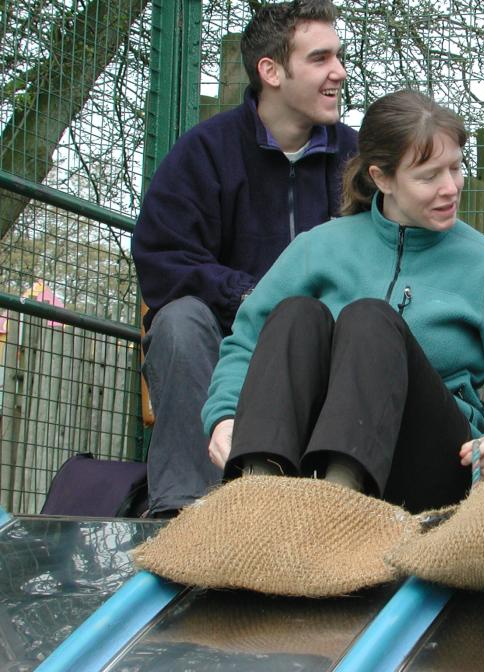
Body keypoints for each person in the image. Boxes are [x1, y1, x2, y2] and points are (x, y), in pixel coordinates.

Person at [201, 90, 484, 513]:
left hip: (428, 468)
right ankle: (257, 493)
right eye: (428, 176)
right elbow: (247, 341)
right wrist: (224, 416)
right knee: (296, 314)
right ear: (382, 178)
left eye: (455, 168)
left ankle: (341, 503)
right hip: (306, 459)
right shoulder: (318, 248)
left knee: (370, 319)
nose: (450, 188)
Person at [131, 1, 358, 517]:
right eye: (321, 58)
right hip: (229, 341)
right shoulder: (204, 152)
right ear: (271, 72)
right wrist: (252, 297)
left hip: (325, 344)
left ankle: (347, 512)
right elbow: (161, 258)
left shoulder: (358, 159)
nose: (339, 72)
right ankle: (184, 511)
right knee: (179, 321)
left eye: (338, 57)